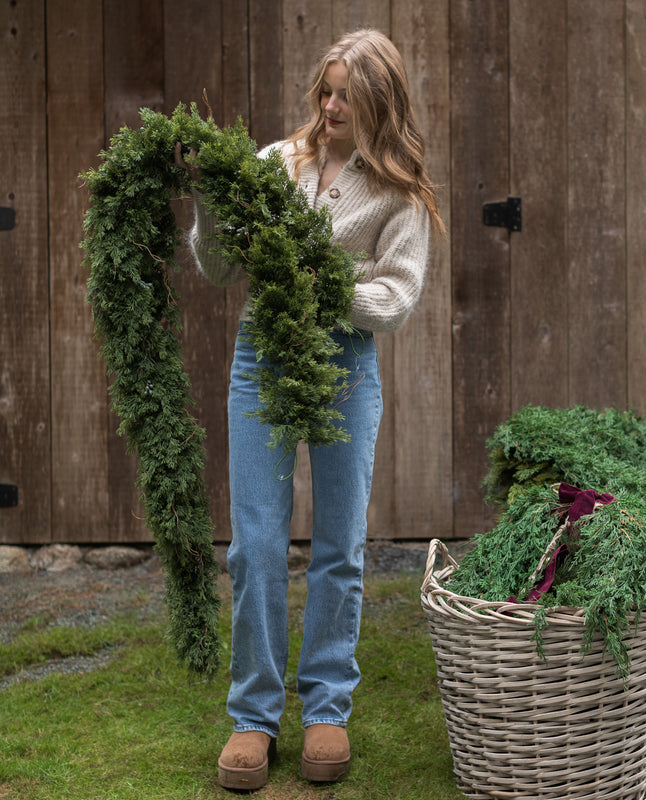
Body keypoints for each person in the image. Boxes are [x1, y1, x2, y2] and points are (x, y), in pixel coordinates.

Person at [182, 28, 444, 791]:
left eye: (347, 96)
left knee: (339, 545)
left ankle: (327, 705)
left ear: (378, 104)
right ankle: (253, 716)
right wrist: (209, 201)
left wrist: (323, 282)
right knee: (255, 544)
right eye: (325, 90)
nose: (330, 106)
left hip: (345, 366)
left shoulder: (398, 193)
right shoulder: (275, 164)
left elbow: (394, 297)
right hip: (262, 358)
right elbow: (220, 265)